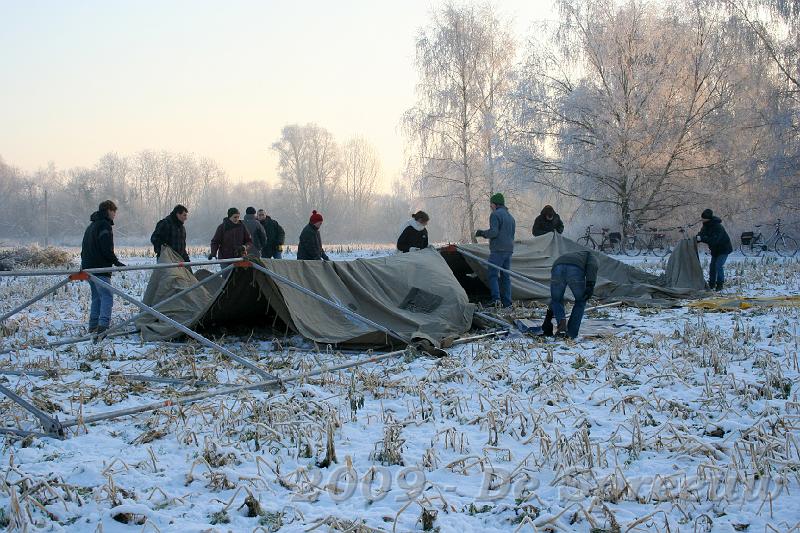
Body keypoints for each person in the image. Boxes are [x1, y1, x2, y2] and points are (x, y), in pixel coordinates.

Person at [80, 200, 125, 334]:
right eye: (114, 211)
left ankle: (93, 325)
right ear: (109, 210)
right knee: (107, 295)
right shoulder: (105, 226)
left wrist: (84, 265)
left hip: (88, 267)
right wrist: (116, 262)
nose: (115, 214)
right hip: (100, 267)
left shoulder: (91, 226)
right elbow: (106, 248)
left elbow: (84, 248)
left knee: (96, 297)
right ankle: (103, 326)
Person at [543, 250, 598, 339]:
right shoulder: (591, 256)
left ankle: (562, 324)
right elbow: (592, 267)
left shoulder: (571, 254)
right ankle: (571, 333)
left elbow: (554, 300)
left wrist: (548, 318)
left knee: (556, 300)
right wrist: (590, 285)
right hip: (575, 270)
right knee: (580, 301)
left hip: (557, 267)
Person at [475, 193, 516, 308]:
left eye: (491, 204)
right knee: (505, 276)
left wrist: (482, 233)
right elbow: (511, 235)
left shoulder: (495, 215)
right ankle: (507, 302)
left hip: (498, 250)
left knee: (493, 274)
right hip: (509, 250)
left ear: (495, 204)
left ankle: (496, 300)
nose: (490, 207)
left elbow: (494, 232)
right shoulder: (510, 217)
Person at [696, 208, 733, 291]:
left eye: (703, 218)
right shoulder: (705, 225)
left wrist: (701, 238)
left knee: (718, 265)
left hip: (724, 249)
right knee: (712, 266)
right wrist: (696, 238)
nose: (701, 220)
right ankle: (711, 284)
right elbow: (702, 234)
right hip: (715, 250)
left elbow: (714, 240)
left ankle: (720, 284)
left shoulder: (717, 227)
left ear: (707, 219)